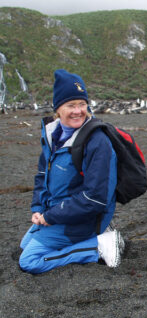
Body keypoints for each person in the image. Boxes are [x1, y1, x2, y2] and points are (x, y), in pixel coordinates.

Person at [19, 69, 124, 274]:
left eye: (82, 104)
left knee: (29, 261)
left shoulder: (97, 142)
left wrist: (51, 216)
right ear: (58, 109)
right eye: (71, 105)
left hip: (83, 217)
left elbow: (95, 198)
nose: (78, 111)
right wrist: (38, 209)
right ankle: (91, 240)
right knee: (25, 244)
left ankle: (99, 246)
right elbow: (42, 176)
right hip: (60, 212)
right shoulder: (53, 136)